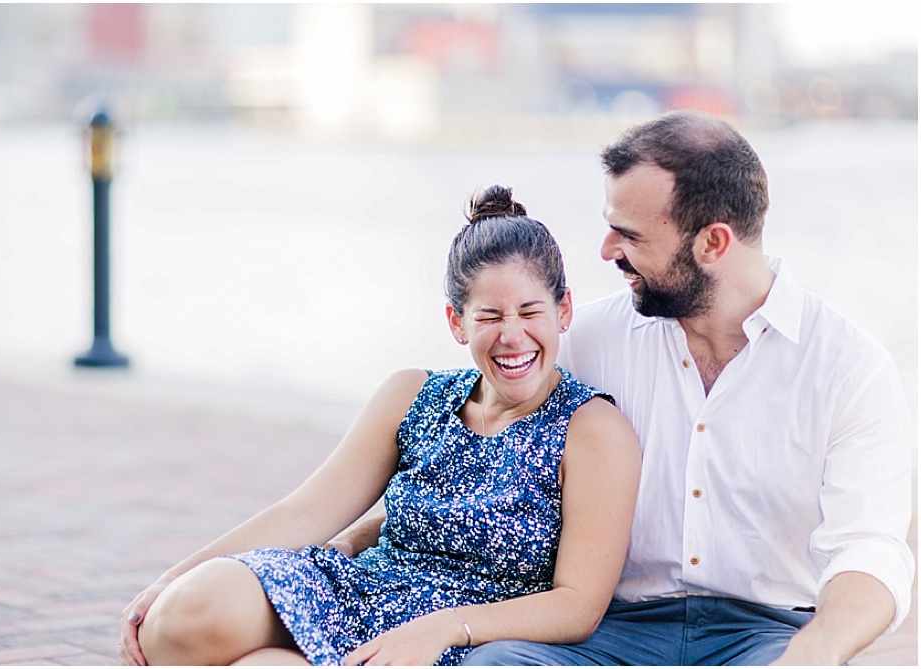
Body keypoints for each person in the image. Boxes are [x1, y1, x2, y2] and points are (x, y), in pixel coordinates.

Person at [335, 111, 915, 666]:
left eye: (627, 234)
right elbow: (478, 455)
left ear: (713, 243)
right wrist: (368, 533)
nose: (607, 251)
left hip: (770, 633)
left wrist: (813, 654)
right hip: (609, 631)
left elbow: (869, 550)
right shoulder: (587, 339)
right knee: (498, 663)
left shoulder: (847, 367)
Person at [117, 185, 641, 666]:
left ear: (563, 310)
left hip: (459, 634)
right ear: (456, 322)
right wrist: (170, 579)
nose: (513, 336)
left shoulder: (592, 428)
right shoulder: (412, 394)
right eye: (489, 317)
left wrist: (444, 629)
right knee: (178, 619)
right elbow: (302, 515)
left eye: (530, 312)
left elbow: (578, 606)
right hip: (358, 589)